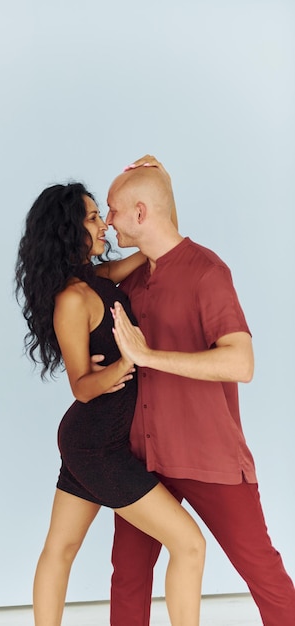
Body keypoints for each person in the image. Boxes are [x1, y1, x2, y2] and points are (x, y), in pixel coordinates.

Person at [105, 156, 295, 626]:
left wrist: (149, 356)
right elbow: (102, 275)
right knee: (127, 578)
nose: (107, 222)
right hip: (143, 459)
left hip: (207, 456)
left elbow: (241, 362)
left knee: (263, 574)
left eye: (113, 209)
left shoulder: (209, 272)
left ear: (142, 213)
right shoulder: (133, 277)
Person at [15, 181, 205, 626]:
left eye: (102, 215)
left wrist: (161, 183)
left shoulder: (96, 280)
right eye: (93, 217)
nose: (104, 224)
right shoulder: (71, 300)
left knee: (61, 548)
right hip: (95, 444)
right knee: (189, 544)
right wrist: (122, 367)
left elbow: (161, 239)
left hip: (99, 440)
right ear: (67, 230)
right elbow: (81, 387)